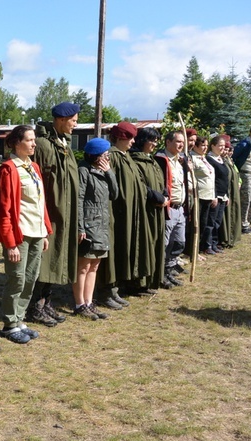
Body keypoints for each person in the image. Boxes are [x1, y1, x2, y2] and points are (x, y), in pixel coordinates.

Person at [0, 125, 52, 344]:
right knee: (16, 279)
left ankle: (19, 320)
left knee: (30, 279)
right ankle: (9, 324)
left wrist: (45, 231)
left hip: (37, 232)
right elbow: (4, 209)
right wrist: (10, 244)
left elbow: (40, 203)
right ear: (17, 143)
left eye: (34, 140)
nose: (34, 144)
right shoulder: (8, 169)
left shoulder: (34, 167)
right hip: (19, 235)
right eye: (29, 140)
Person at [25, 102, 81, 327]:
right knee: (44, 261)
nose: (75, 124)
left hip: (63, 211)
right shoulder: (41, 145)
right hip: (47, 212)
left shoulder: (63, 143)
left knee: (58, 258)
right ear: (61, 119)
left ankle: (46, 301)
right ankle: (34, 307)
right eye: (73, 120)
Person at [99, 121, 150, 307]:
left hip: (129, 213)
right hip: (116, 214)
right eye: (130, 137)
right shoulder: (111, 157)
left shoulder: (126, 156)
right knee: (112, 253)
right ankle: (106, 292)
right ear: (120, 137)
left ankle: (116, 289)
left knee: (123, 250)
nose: (133, 141)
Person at [74, 138, 118, 320]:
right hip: (89, 225)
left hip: (102, 225)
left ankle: (89, 302)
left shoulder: (105, 170)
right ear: (96, 155)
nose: (108, 157)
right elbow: (79, 199)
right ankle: (79, 304)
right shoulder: (84, 170)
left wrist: (109, 172)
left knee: (95, 265)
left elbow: (115, 194)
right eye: (105, 154)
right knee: (83, 266)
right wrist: (80, 226)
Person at [130, 127, 168, 293]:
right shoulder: (135, 161)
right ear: (142, 141)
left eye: (156, 140)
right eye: (151, 140)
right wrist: (158, 198)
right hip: (144, 211)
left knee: (155, 245)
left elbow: (161, 182)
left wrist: (165, 195)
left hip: (157, 212)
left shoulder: (151, 160)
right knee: (144, 246)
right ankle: (139, 283)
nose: (154, 144)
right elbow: (140, 186)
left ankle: (152, 279)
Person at [155, 131, 191, 288]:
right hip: (168, 208)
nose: (181, 145)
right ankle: (160, 274)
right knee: (165, 243)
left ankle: (169, 270)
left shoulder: (180, 160)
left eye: (183, 142)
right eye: (178, 142)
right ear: (168, 142)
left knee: (178, 242)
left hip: (180, 208)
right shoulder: (161, 160)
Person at [189, 137, 217, 254]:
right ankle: (192, 250)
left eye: (206, 145)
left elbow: (210, 178)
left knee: (204, 223)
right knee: (196, 224)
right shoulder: (192, 159)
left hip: (208, 196)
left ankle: (199, 248)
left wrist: (214, 195)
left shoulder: (204, 158)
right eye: (202, 145)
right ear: (195, 146)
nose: (205, 148)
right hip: (198, 196)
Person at [205, 135, 230, 252]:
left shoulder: (221, 159)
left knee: (217, 222)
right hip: (215, 195)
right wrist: (214, 195)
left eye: (223, 146)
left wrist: (227, 195)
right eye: (220, 145)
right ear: (213, 146)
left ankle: (214, 243)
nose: (222, 148)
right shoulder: (209, 160)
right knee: (211, 222)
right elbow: (212, 180)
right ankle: (207, 245)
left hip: (223, 195)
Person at [219, 136, 242, 248]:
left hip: (233, 191)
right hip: (225, 191)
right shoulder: (221, 160)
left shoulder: (229, 160)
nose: (227, 151)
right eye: (224, 149)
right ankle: (225, 238)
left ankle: (232, 236)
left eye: (228, 149)